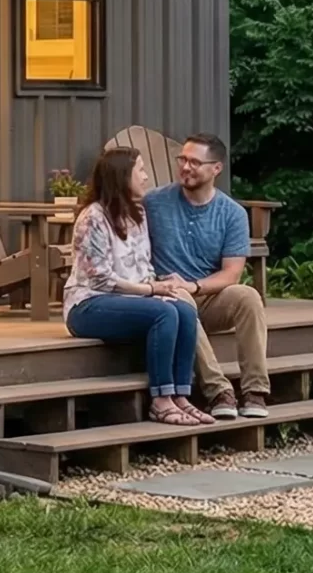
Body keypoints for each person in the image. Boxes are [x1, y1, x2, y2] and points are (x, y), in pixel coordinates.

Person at [62, 146, 209, 427]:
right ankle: (161, 400)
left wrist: (162, 285)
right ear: (122, 176)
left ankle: (180, 396)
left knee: (185, 310)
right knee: (163, 312)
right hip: (88, 305)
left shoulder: (137, 215)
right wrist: (152, 291)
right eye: (140, 170)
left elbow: (144, 268)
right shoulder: (93, 218)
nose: (145, 177)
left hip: (131, 301)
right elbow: (100, 279)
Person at [145, 132, 271, 420]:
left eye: (194, 162)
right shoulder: (153, 202)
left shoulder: (232, 213)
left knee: (248, 296)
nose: (185, 167)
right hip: (168, 297)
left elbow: (231, 274)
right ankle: (218, 391)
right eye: (182, 159)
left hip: (208, 295)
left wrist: (194, 285)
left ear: (216, 168)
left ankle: (255, 390)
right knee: (180, 298)